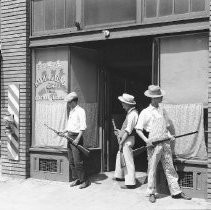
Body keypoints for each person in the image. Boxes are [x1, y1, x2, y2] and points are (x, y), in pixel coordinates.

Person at [135, 85, 191, 203]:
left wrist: (170, 135)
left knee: (169, 167)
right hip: (153, 144)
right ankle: (151, 192)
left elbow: (167, 125)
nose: (161, 98)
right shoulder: (145, 112)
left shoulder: (162, 110)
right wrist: (146, 140)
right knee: (152, 169)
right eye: (160, 96)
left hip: (165, 143)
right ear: (153, 98)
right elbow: (138, 129)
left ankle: (176, 192)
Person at [60, 92, 90, 189]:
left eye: (69, 102)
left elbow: (83, 127)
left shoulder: (81, 111)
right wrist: (63, 132)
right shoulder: (71, 111)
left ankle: (85, 181)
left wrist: (77, 139)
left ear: (74, 101)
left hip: (77, 137)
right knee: (72, 161)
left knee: (78, 161)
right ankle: (77, 179)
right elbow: (70, 126)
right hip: (69, 136)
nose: (68, 104)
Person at [113, 93, 138, 189]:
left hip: (128, 140)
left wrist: (121, 141)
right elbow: (126, 130)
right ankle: (119, 176)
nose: (122, 106)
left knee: (128, 161)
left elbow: (128, 131)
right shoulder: (131, 113)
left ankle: (131, 183)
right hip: (126, 138)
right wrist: (120, 132)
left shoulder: (133, 114)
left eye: (123, 103)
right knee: (120, 156)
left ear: (128, 104)